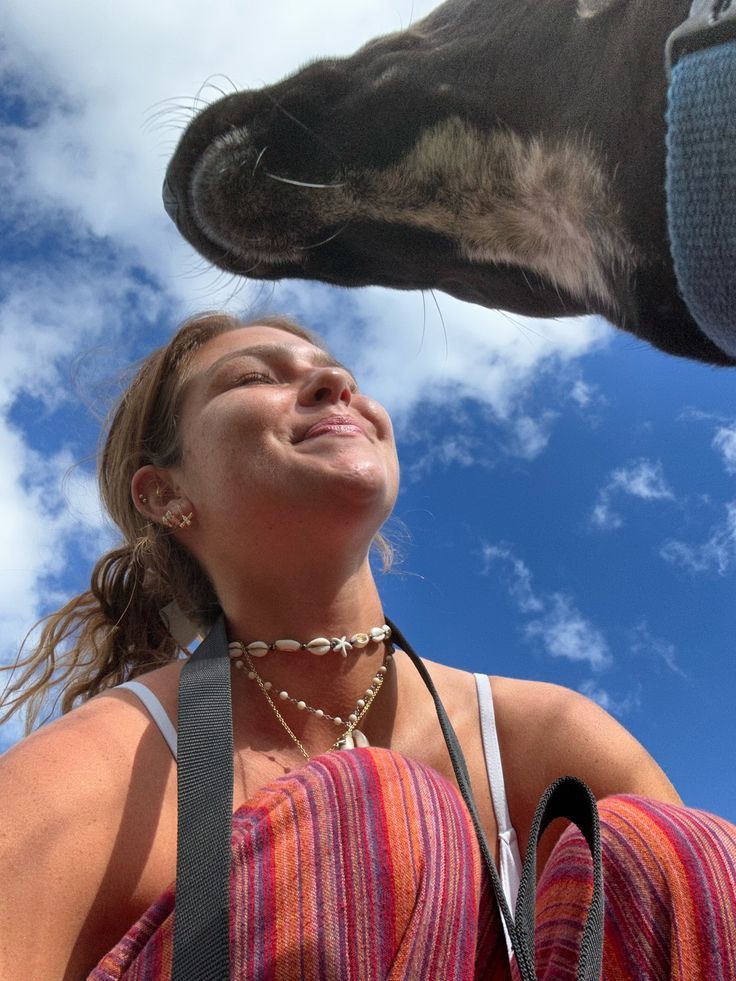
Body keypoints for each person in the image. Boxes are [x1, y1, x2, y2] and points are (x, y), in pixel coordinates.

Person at [1, 311, 735, 980]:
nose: (335, 382)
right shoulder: (118, 759)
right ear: (163, 495)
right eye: (256, 377)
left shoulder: (538, 732)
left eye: (333, 369)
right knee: (378, 818)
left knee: (675, 853)